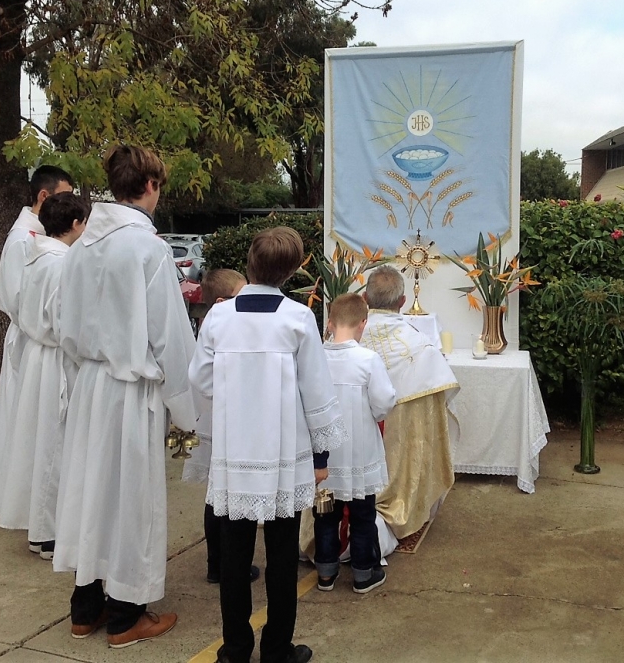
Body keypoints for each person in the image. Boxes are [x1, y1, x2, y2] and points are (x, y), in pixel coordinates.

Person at [53, 145, 197, 649]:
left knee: (91, 494)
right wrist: (188, 408)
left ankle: (85, 607)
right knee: (130, 500)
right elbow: (169, 336)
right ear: (151, 185)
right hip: (131, 389)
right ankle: (126, 616)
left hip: (91, 384)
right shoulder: (147, 249)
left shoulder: (81, 247)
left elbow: (65, 325)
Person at [189, 226, 348, 663]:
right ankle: (277, 649)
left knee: (234, 557)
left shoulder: (219, 317)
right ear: (292, 271)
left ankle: (235, 650)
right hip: (283, 456)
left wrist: (238, 396)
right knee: (281, 557)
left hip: (235, 452)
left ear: (249, 263)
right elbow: (316, 391)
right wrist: (320, 455)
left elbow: (199, 379)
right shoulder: (298, 318)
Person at [0, 192, 89, 558]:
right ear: (76, 224)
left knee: (40, 441)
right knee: (55, 444)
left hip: (37, 355)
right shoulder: (62, 264)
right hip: (56, 358)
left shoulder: (36, 257)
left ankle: (40, 527)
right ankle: (49, 533)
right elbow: (67, 324)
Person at [360, 266, 459, 539]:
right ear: (403, 301)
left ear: (365, 299)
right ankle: (399, 502)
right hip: (399, 456)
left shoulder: (344, 338)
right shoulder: (422, 348)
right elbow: (436, 415)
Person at [181, 268, 261, 585]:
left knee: (219, 491)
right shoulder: (223, 324)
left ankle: (220, 563)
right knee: (223, 492)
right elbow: (202, 376)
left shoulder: (218, 323)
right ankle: (225, 563)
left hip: (218, 412)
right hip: (223, 415)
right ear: (221, 302)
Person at [314, 293, 397, 595]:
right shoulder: (367, 359)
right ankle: (364, 574)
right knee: (363, 516)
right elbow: (384, 401)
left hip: (325, 454)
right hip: (360, 451)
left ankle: (325, 574)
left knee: (325, 515)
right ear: (363, 323)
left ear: (330, 323)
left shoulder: (316, 359)